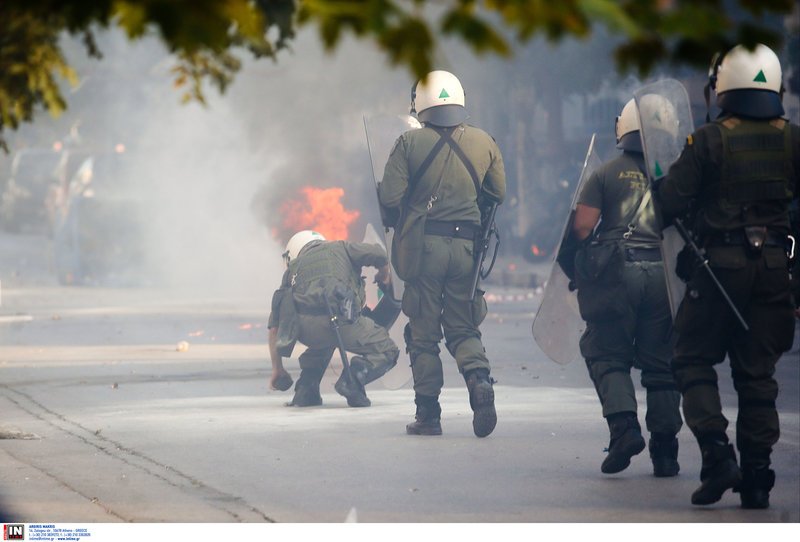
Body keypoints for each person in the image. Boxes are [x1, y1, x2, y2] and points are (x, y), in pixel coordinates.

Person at [656, 43, 799, 508]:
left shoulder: (709, 141)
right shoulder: (794, 140)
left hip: (719, 268)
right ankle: (758, 478)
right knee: (757, 374)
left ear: (722, 86)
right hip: (776, 268)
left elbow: (669, 205)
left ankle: (719, 457)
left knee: (691, 359)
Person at [377, 70, 506, 437]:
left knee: (423, 333)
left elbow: (389, 198)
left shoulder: (408, 143)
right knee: (463, 327)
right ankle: (479, 380)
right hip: (467, 248)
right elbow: (497, 193)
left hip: (423, 249)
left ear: (421, 103)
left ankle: (428, 415)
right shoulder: (485, 142)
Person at [570, 99, 683, 476]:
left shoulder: (606, 173)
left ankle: (624, 430)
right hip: (663, 275)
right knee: (661, 364)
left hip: (619, 276)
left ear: (624, 129)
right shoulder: (672, 176)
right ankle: (665, 451)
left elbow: (583, 226)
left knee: (607, 352)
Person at [267, 230, 400, 408]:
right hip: (341, 321)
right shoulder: (340, 248)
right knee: (388, 350)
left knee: (325, 340)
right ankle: (352, 380)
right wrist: (384, 273)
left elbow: (274, 327)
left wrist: (277, 369)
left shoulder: (291, 272)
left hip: (306, 332)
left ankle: (306, 389)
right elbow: (378, 253)